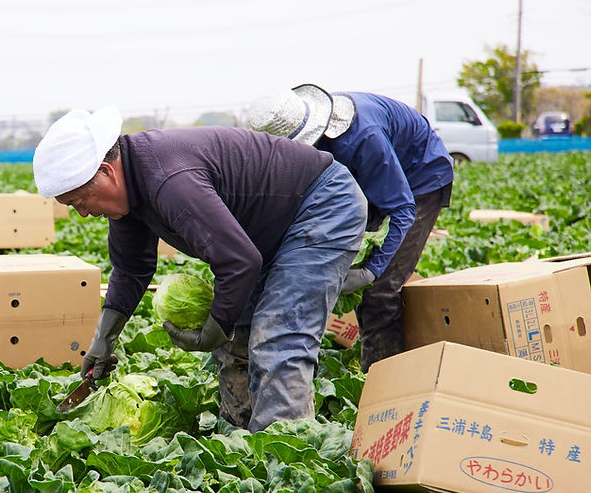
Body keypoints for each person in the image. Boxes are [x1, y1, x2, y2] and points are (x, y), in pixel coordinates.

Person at [33, 107, 366, 432]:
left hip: (321, 206)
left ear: (106, 172)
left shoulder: (168, 180)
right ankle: (239, 446)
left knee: (278, 337)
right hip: (268, 231)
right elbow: (131, 268)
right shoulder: (130, 188)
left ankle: (285, 459)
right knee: (237, 340)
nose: (83, 214)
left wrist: (214, 329)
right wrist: (103, 340)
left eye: (81, 201)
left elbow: (238, 262)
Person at [248, 85, 454, 372]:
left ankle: (383, 382)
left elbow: (401, 207)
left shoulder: (361, 139)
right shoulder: (308, 145)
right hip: (367, 180)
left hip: (419, 179)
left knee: (379, 290)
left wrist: (371, 270)